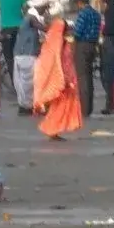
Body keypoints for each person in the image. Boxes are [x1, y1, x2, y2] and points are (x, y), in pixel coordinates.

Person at [35, 13, 84, 141]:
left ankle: (53, 130)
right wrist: (62, 79)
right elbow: (52, 64)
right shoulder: (54, 45)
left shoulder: (60, 42)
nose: (68, 31)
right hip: (61, 81)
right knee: (60, 107)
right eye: (66, 29)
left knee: (63, 106)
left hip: (66, 79)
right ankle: (51, 129)